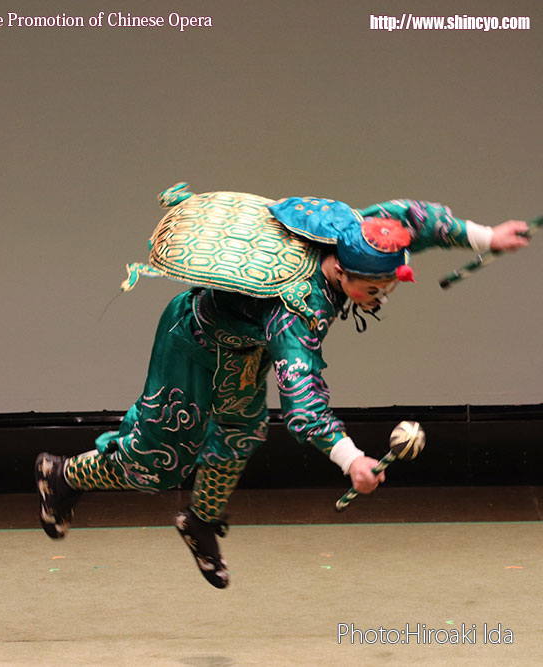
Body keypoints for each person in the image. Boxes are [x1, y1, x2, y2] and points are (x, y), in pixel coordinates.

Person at [36, 186, 530, 588]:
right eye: (374, 290)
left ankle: (201, 521)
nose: (381, 297)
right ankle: (65, 476)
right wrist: (351, 457)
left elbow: (414, 220)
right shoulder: (301, 310)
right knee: (157, 461)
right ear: (340, 270)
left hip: (243, 348)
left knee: (238, 435)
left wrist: (487, 237)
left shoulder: (353, 231)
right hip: (192, 342)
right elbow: (303, 399)